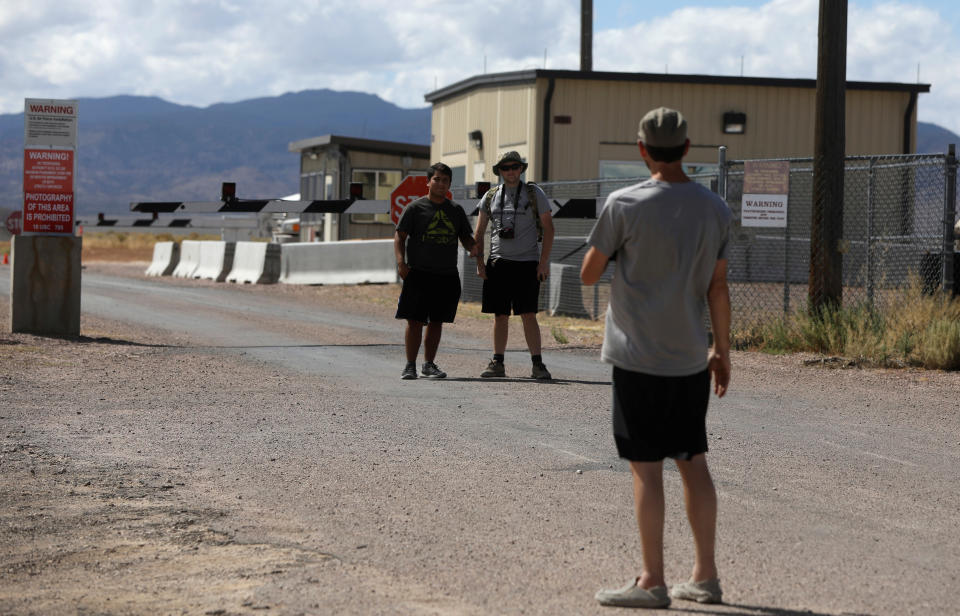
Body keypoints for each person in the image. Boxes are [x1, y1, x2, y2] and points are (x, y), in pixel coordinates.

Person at [581, 107, 732, 609]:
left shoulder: (624, 203)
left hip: (638, 355)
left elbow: (587, 272)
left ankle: (652, 581)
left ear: (642, 149)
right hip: (690, 355)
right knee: (693, 461)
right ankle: (704, 577)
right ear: (688, 148)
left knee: (646, 469)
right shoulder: (714, 207)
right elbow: (718, 285)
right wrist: (721, 351)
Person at [472, 151, 555, 379]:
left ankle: (538, 364)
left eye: (515, 166)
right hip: (498, 263)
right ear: (499, 170)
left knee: (528, 313)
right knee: (500, 315)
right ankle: (497, 362)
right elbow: (478, 233)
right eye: (506, 167)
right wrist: (480, 263)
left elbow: (549, 228)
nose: (511, 171)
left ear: (521, 169)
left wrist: (543, 262)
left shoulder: (534, 193)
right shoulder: (490, 196)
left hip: (527, 263)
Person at [394, 162, 478, 380]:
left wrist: (474, 248)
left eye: (445, 180)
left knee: (436, 321)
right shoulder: (414, 208)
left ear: (450, 184)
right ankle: (410, 365)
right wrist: (401, 263)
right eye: (437, 179)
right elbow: (400, 236)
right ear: (428, 182)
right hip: (419, 273)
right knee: (414, 321)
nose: (441, 184)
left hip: (446, 274)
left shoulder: (456, 210)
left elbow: (466, 237)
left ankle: (428, 364)